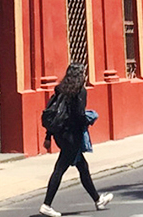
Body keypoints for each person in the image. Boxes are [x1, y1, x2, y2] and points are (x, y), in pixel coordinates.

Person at [39, 62, 112, 217]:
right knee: (60, 169)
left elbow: (53, 112)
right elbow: (79, 115)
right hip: (72, 137)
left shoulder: (60, 89)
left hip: (60, 135)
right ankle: (46, 205)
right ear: (81, 75)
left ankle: (98, 200)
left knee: (82, 167)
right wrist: (89, 120)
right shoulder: (80, 92)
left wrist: (48, 136)